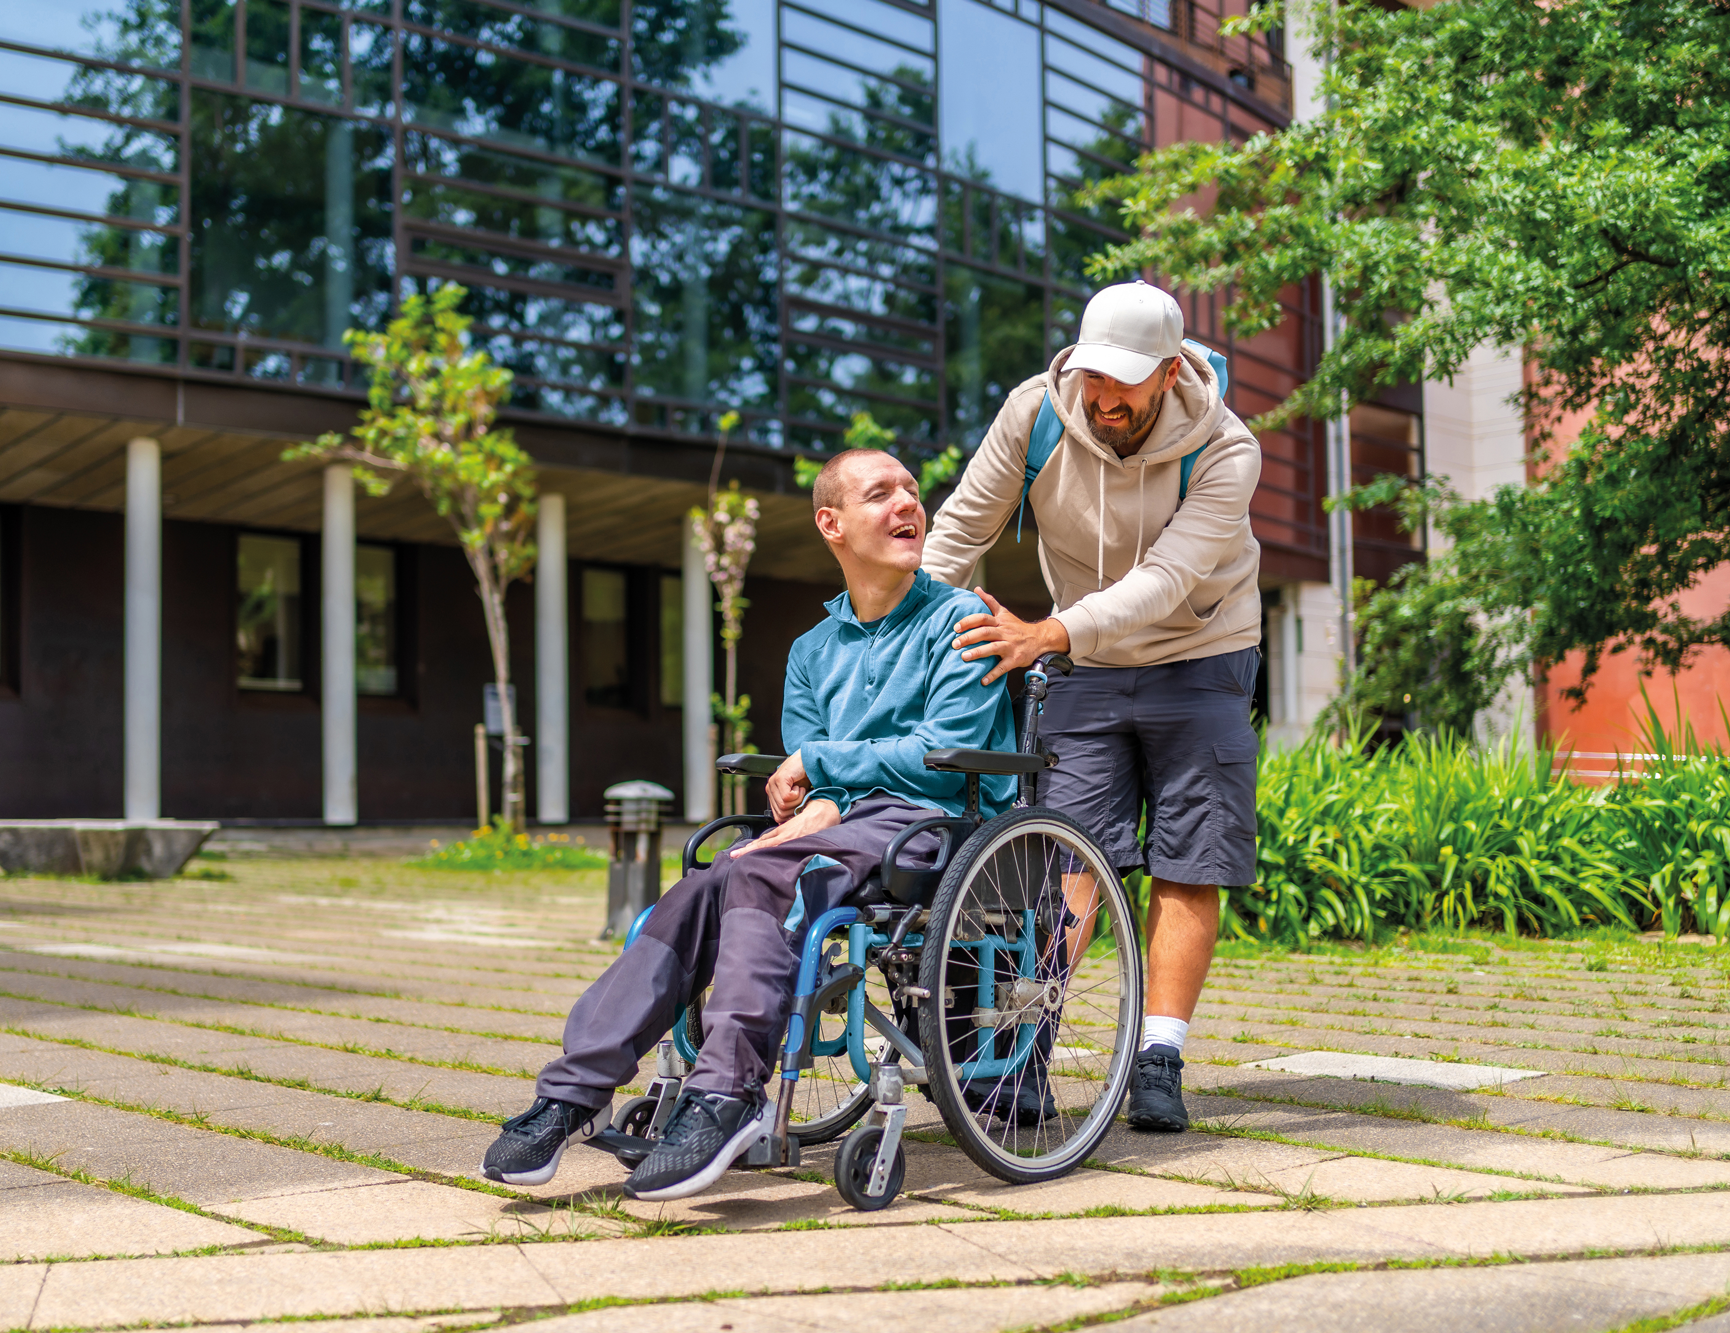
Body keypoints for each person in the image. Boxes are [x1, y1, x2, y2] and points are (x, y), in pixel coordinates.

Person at [480, 448, 1015, 1201]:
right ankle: (573, 1091)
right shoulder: (811, 650)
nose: (908, 505)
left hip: (929, 824)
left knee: (764, 870)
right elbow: (814, 781)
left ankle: (729, 1092)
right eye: (880, 494)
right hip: (848, 826)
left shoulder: (960, 619)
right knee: (710, 878)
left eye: (912, 492)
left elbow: (942, 757)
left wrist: (824, 777)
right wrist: (819, 799)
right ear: (831, 523)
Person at [921, 280, 1262, 1134]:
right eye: (1094, 378)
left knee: (1192, 855)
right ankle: (1024, 1043)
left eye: (1126, 382)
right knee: (1060, 858)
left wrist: (1047, 631)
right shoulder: (1037, 412)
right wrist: (896, 641)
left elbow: (1168, 580)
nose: (1105, 399)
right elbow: (960, 534)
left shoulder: (1226, 446)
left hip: (1202, 651)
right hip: (1081, 658)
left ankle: (1159, 1055)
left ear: (1171, 371)